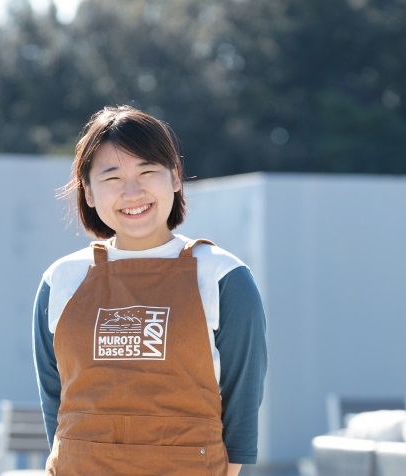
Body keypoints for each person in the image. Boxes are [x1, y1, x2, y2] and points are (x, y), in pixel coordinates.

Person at [33, 105, 267, 476]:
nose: (133, 191)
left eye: (147, 171)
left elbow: (244, 395)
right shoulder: (61, 279)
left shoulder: (224, 276)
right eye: (111, 178)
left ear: (175, 178)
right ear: (89, 193)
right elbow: (53, 398)